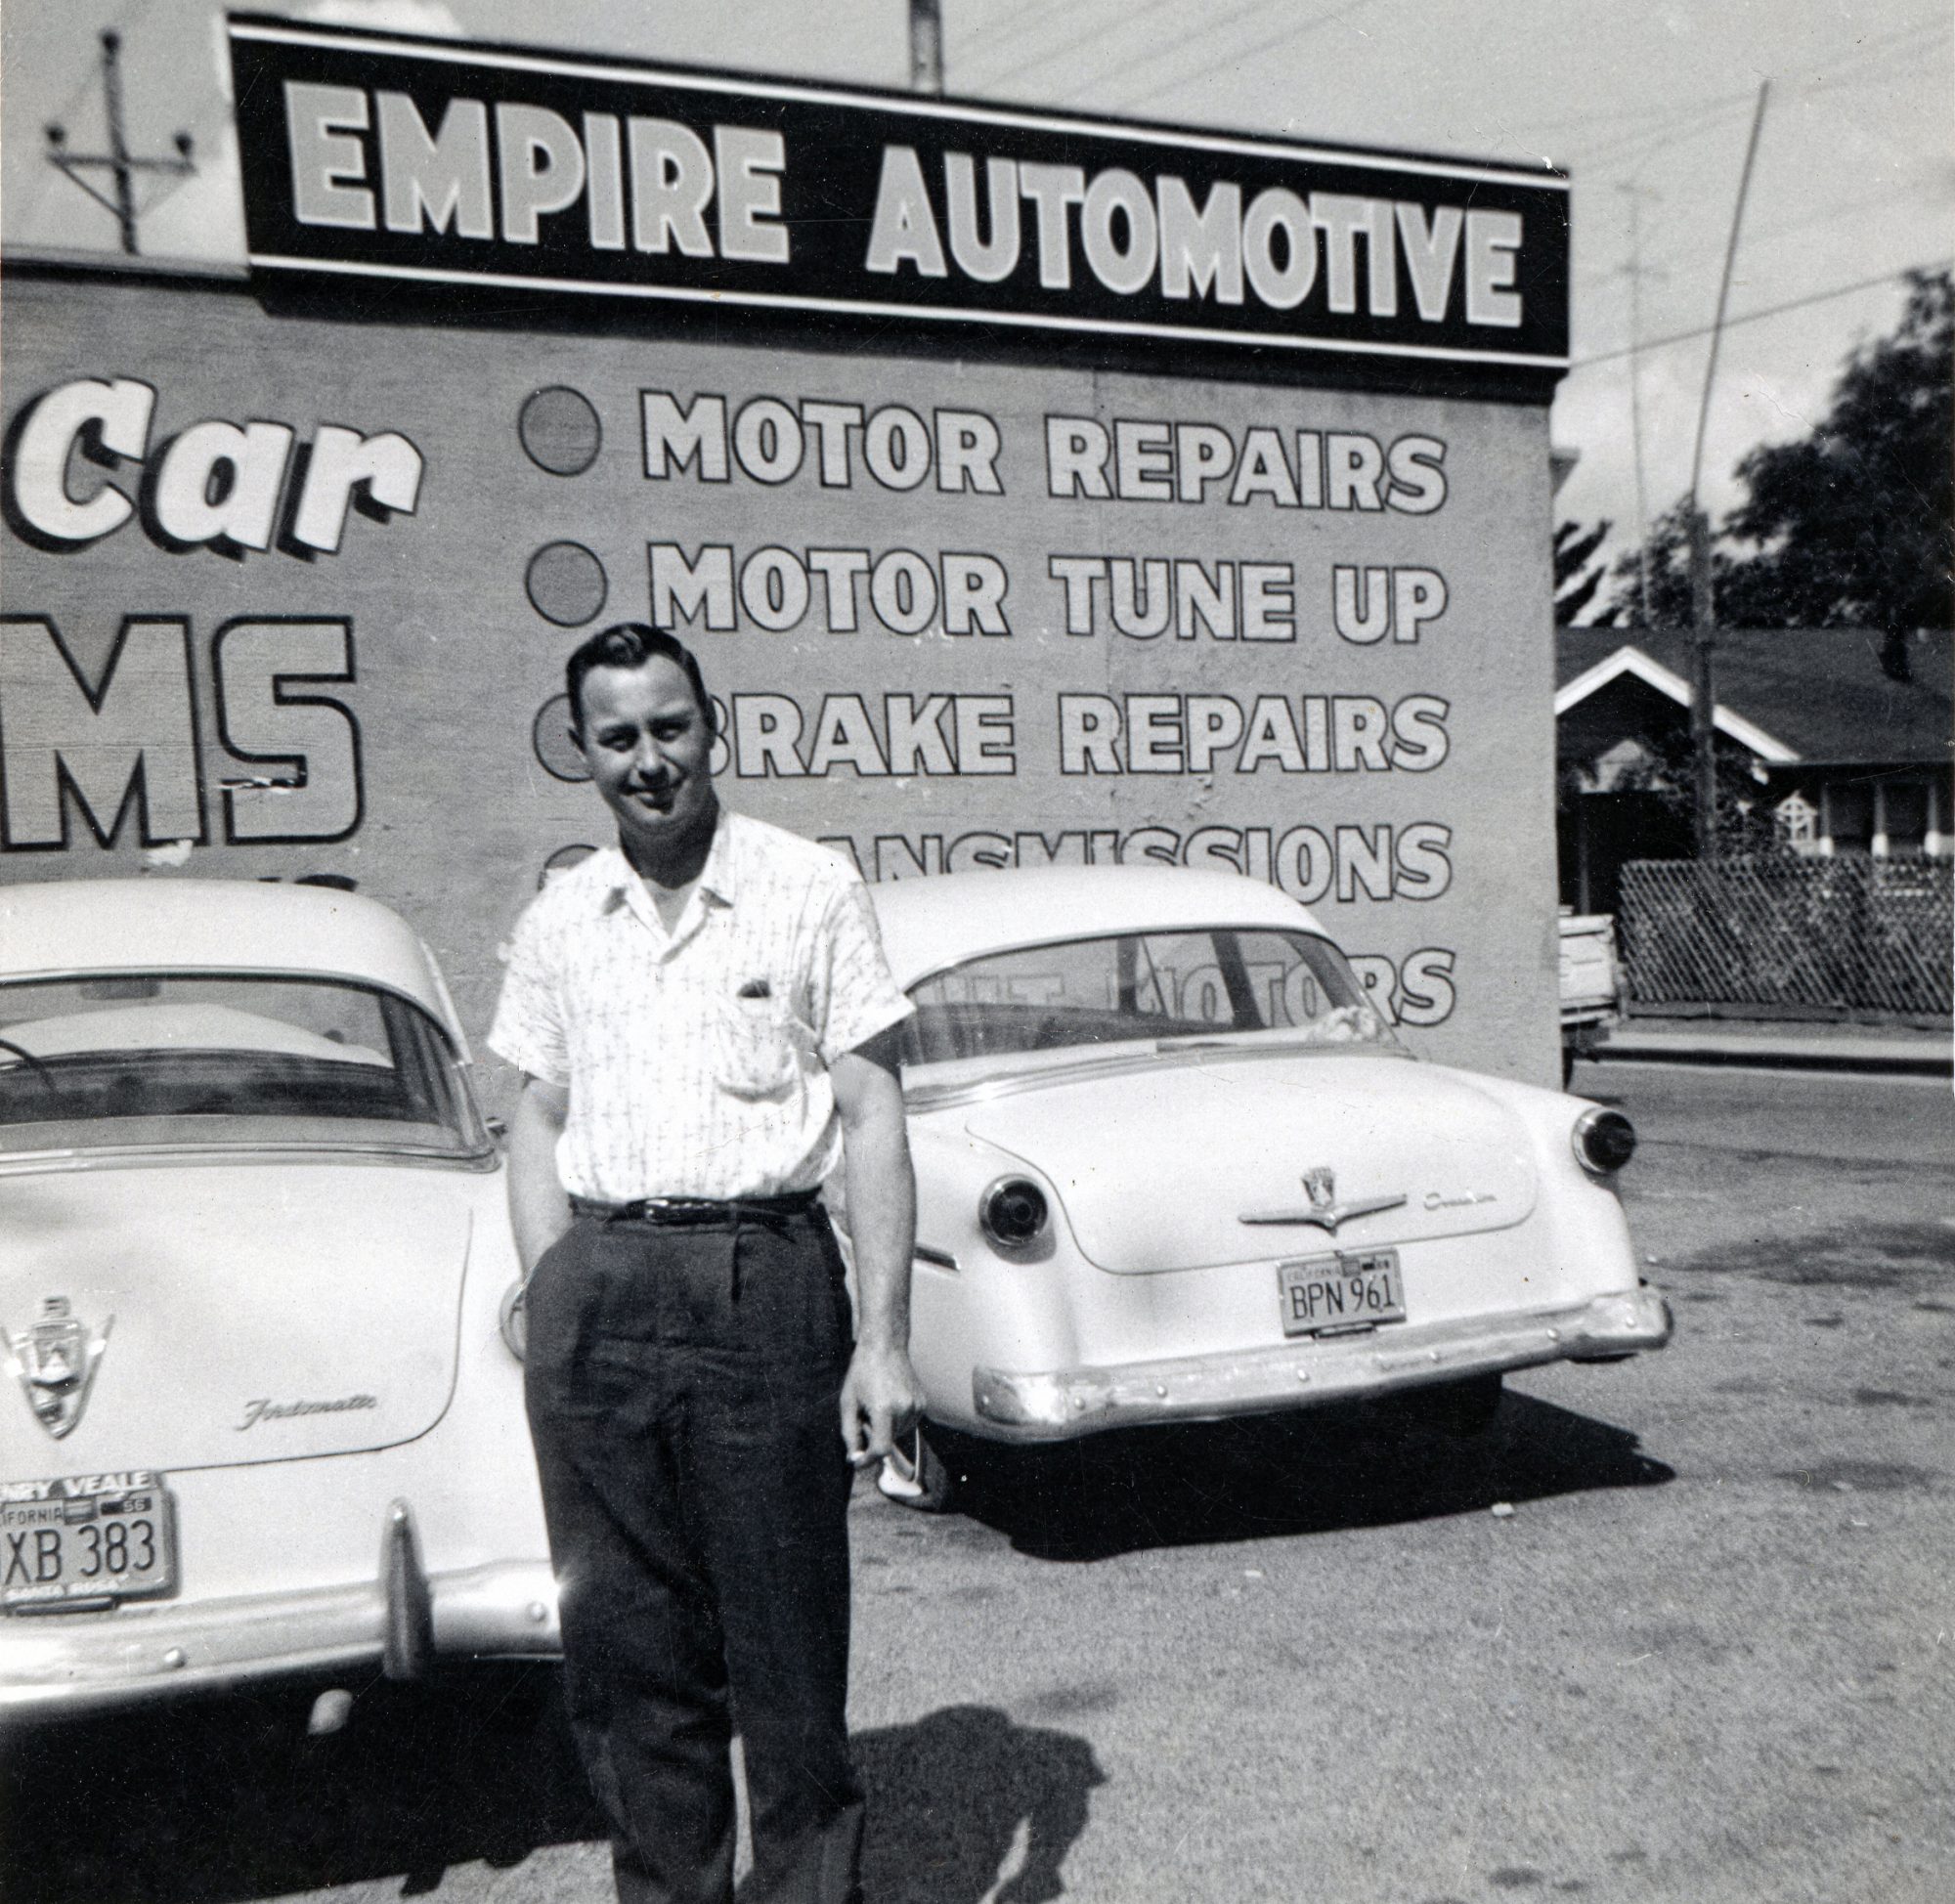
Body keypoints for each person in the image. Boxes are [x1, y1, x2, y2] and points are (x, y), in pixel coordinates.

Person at [488, 621, 923, 1904]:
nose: (648, 760)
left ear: (710, 724)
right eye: (617, 737)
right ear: (583, 750)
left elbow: (874, 1113)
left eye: (669, 728)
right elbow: (535, 1118)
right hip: (601, 1288)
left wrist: (885, 1340)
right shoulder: (562, 919)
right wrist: (546, 1280)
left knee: (786, 1671)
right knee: (630, 1671)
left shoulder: (807, 887)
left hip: (763, 1284)